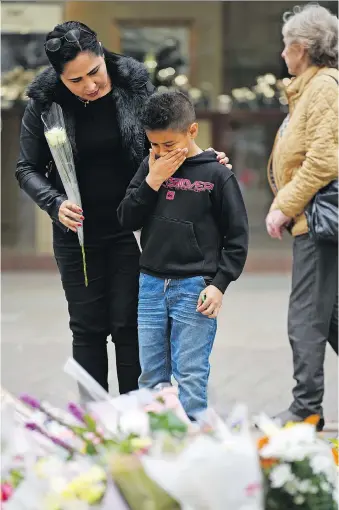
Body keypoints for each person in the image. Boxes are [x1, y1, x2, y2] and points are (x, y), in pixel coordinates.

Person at [15, 21, 230, 398]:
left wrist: (205, 162)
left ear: (103, 54)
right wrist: (54, 203)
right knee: (86, 326)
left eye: (94, 72)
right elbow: (26, 168)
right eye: (76, 80)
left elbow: (169, 139)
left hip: (135, 226)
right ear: (59, 78)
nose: (90, 85)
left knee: (131, 324)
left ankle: (136, 414)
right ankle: (94, 421)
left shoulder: (136, 87)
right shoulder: (45, 104)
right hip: (77, 233)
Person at [117, 91, 249, 418]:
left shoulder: (218, 175)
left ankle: (196, 448)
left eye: (168, 145)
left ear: (192, 131)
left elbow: (237, 237)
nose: (161, 152)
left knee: (190, 373)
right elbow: (126, 218)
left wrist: (219, 284)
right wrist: (153, 180)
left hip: (194, 288)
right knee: (150, 375)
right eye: (155, 145)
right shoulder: (150, 168)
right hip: (150, 285)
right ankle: (156, 447)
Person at [265, 4, 338, 430]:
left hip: (317, 219)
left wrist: (284, 205)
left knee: (306, 316)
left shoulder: (325, 86)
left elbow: (324, 161)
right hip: (312, 217)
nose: (282, 55)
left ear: (303, 48)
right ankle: (306, 403)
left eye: (286, 46)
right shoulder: (308, 88)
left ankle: (305, 407)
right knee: (329, 316)